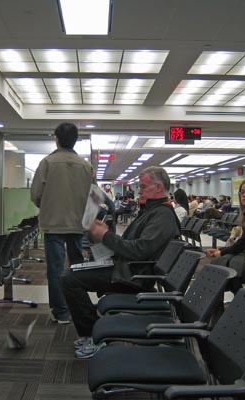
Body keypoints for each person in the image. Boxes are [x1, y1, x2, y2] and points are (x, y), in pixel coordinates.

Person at [60, 166, 180, 358]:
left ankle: (93, 334)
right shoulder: (153, 211)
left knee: (69, 279)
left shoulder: (163, 215)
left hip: (134, 276)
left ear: (158, 187)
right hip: (128, 269)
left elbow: (138, 251)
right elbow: (131, 246)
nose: (139, 191)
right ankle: (95, 329)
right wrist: (103, 236)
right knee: (73, 273)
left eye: (143, 187)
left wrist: (106, 235)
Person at [30, 122, 94, 325]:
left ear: (56, 139)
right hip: (77, 223)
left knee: (56, 269)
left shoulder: (47, 163)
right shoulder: (86, 166)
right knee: (77, 266)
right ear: (75, 141)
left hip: (53, 223)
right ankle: (78, 308)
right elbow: (94, 197)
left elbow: (36, 194)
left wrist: (47, 206)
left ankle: (62, 312)